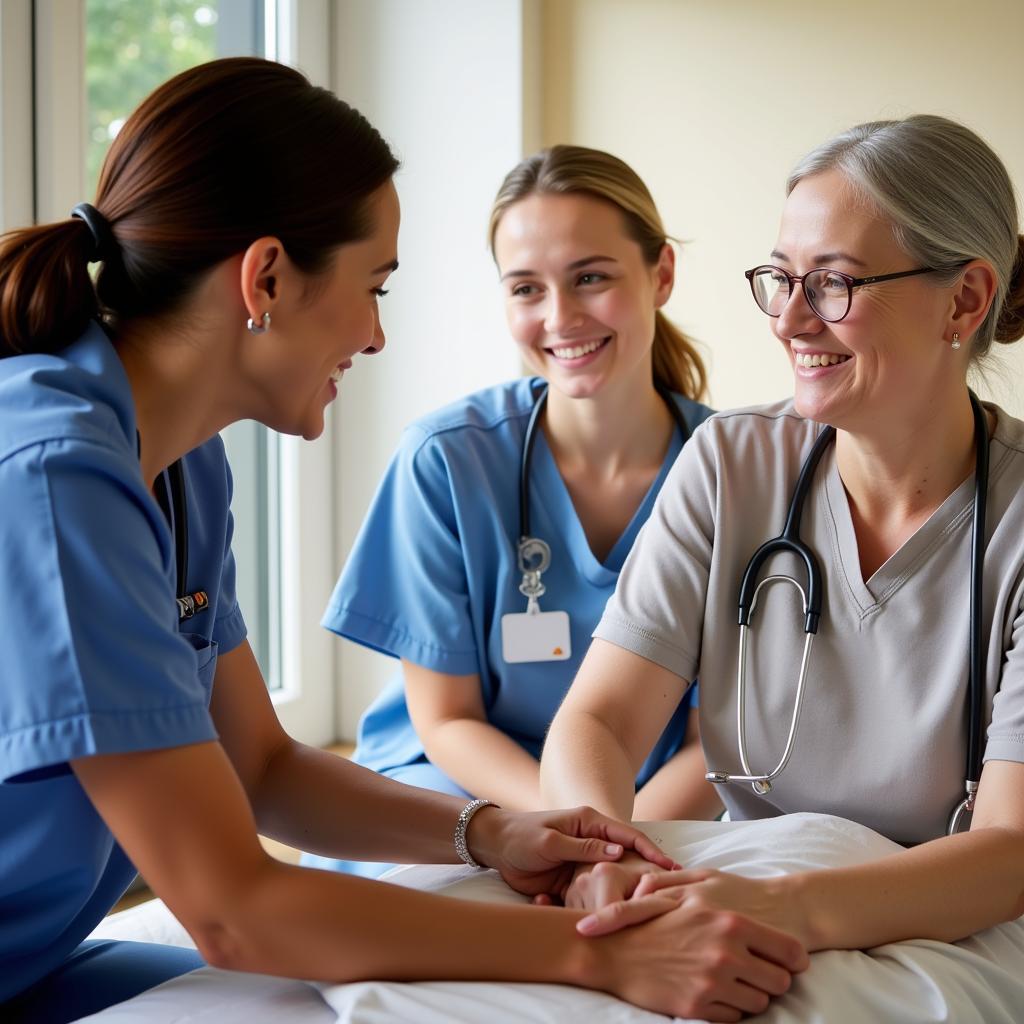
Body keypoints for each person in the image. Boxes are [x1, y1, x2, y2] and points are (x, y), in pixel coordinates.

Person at [0, 58, 807, 1024]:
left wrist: (493, 832)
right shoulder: (53, 476)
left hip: (36, 959)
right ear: (264, 278)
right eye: (373, 285)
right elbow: (230, 910)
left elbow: (259, 766)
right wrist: (600, 961)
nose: (378, 335)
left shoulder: (180, 466)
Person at [540, 115, 1024, 957]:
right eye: (780, 279)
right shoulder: (732, 464)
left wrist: (775, 907)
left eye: (833, 284)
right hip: (738, 891)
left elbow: (1008, 855)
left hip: (946, 928)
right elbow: (603, 723)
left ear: (966, 298)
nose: (790, 321)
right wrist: (603, 857)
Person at [302, 145, 723, 882]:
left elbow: (714, 739)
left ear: (661, 275)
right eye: (526, 288)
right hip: (466, 791)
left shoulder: (735, 473)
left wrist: (619, 845)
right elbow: (446, 720)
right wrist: (574, 835)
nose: (560, 317)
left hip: (658, 803)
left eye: (591, 278)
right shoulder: (447, 458)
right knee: (438, 923)